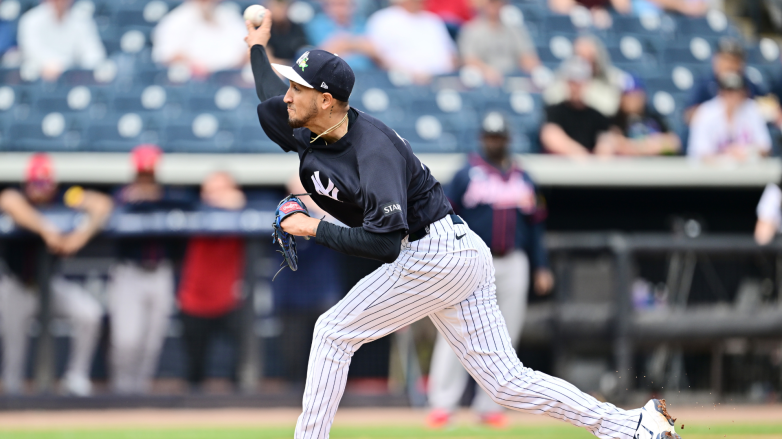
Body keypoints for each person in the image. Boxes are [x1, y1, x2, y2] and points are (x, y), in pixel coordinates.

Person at [244, 13, 682, 439]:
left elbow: (385, 245)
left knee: (333, 333)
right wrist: (259, 48)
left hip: (432, 252)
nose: (287, 95)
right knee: (507, 382)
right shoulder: (309, 123)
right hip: (456, 250)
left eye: (297, 88)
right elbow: (267, 91)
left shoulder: (372, 153)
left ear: (325, 100)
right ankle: (632, 425)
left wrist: (311, 228)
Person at [427, 112, 554, 429]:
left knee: (506, 336)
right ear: (483, 139)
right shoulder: (467, 173)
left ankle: (490, 405)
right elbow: (443, 216)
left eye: (499, 137)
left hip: (514, 260)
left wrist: (542, 266)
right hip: (472, 260)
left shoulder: (524, 177)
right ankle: (443, 404)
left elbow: (536, 226)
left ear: (507, 140)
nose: (494, 142)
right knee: (456, 330)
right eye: (490, 137)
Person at [0, 154, 109, 396]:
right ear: (26, 183)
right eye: (35, 183)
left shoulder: (66, 197)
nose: (40, 189)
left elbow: (102, 205)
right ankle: (13, 394)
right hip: (16, 285)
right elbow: (8, 201)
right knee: (13, 354)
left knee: (89, 313)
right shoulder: (17, 197)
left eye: (45, 183)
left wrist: (80, 236)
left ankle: (76, 378)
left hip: (49, 285)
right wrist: (47, 229)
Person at [109, 144, 194, 394]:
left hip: (160, 273)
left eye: (149, 174)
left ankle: (140, 393)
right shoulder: (121, 196)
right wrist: (136, 200)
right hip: (129, 273)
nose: (145, 179)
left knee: (151, 342)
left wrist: (153, 198)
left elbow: (188, 203)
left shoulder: (170, 197)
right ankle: (122, 391)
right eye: (141, 174)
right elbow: (115, 207)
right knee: (126, 340)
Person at [272, 175, 344, 385]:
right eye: (295, 193)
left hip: (323, 294)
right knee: (293, 358)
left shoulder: (329, 211)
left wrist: (315, 206)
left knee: (327, 356)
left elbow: (344, 228)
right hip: (291, 297)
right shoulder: (282, 216)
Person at [177, 172, 245, 391]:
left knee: (240, 367)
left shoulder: (241, 212)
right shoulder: (193, 210)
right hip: (194, 300)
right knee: (194, 372)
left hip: (229, 300)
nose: (215, 196)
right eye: (210, 191)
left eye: (221, 190)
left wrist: (237, 203)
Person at [540, 57, 616, 156]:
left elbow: (606, 140)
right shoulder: (554, 111)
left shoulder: (597, 116)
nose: (576, 87)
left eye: (579, 83)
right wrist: (579, 153)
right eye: (572, 82)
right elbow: (549, 135)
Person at [366, 0, 456, 82]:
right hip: (399, 82)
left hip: (440, 81)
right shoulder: (383, 19)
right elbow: (376, 54)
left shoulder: (433, 20)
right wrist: (409, 74)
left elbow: (451, 55)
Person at [687, 73, 771, 161]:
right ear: (720, 92)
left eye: (736, 91)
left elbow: (765, 148)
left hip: (747, 170)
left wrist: (746, 152)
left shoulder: (753, 109)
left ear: (744, 93)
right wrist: (726, 156)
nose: (733, 96)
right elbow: (700, 152)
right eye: (728, 91)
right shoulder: (706, 112)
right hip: (712, 172)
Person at [152, 0, 248, 76]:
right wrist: (192, 65)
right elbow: (165, 55)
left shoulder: (229, 15)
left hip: (231, 76)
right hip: (193, 84)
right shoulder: (176, 20)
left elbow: (246, 49)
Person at [17, 0, 106, 81]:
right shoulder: (31, 19)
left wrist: (82, 70)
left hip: (73, 77)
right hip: (39, 76)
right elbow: (32, 50)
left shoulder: (82, 19)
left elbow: (94, 53)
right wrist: (54, 65)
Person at [458, 0, 540, 85]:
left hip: (511, 79)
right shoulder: (471, 30)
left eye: (498, 2)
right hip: (483, 82)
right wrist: (487, 71)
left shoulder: (515, 29)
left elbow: (527, 57)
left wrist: (535, 71)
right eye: (491, 2)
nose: (495, 6)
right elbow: (469, 60)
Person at [685, 38, 763, 124]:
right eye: (726, 60)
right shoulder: (704, 84)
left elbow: (765, 110)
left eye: (735, 61)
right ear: (716, 60)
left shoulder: (748, 85)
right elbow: (689, 116)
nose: (730, 65)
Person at [544, 35, 624, 117]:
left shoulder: (611, 77)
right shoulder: (564, 75)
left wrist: (583, 92)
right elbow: (550, 98)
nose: (583, 63)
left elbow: (610, 108)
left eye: (588, 58)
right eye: (579, 57)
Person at [609, 75, 682, 156]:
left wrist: (637, 146)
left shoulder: (654, 118)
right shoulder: (615, 121)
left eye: (636, 94)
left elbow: (674, 143)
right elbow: (614, 146)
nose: (633, 99)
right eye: (628, 95)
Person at [305, 0, 378, 71]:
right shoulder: (317, 25)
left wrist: (344, 43)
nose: (339, 9)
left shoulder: (362, 23)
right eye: (334, 5)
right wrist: (358, 44)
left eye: (342, 4)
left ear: (353, 6)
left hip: (367, 74)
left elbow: (377, 54)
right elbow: (321, 57)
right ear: (326, 7)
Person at [266, 0, 310, 65]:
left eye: (282, 6)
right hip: (274, 69)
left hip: (295, 68)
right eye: (276, 5)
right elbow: (267, 60)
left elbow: (305, 55)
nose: (279, 10)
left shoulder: (297, 28)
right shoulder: (263, 29)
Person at [548, 0, 630, 29]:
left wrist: (603, 10)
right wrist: (588, 14)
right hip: (573, 28)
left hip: (605, 26)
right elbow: (560, 7)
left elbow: (624, 8)